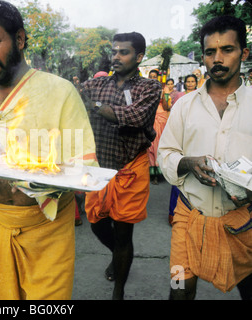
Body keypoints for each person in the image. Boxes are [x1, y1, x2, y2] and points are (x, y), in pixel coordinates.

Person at [0, 0, 98, 300]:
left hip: (47, 231)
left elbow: (84, 166)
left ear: (19, 39)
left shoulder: (59, 91)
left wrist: (46, 177)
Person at [158, 15, 252, 300]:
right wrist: (188, 163)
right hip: (188, 218)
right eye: (211, 52)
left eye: (227, 49)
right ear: (203, 57)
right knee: (178, 290)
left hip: (244, 223)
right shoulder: (184, 105)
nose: (218, 59)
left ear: (244, 53)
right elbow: (166, 154)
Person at [80, 32, 162, 299]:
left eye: (123, 52)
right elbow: (74, 97)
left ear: (139, 57)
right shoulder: (97, 84)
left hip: (130, 167)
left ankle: (119, 291)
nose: (116, 56)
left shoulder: (149, 88)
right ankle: (119, 255)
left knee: (124, 231)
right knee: (96, 224)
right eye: (114, 51)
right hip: (99, 168)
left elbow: (133, 116)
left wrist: (95, 106)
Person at [166, 74, 198, 226]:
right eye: (188, 81)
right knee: (178, 177)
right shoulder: (180, 97)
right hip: (181, 138)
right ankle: (173, 213)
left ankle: (193, 216)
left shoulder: (201, 96)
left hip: (196, 138)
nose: (190, 84)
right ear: (184, 83)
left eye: (193, 81)